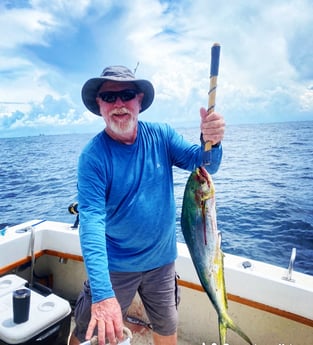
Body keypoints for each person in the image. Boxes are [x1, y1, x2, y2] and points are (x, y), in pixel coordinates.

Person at [69, 65, 225, 345]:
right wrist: (103, 295)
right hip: (115, 265)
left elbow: (203, 163)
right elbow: (91, 222)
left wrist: (211, 140)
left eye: (126, 94)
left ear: (139, 100)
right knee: (88, 335)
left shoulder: (161, 136)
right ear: (99, 105)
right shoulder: (92, 157)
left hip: (162, 264)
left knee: (167, 329)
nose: (118, 104)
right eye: (109, 97)